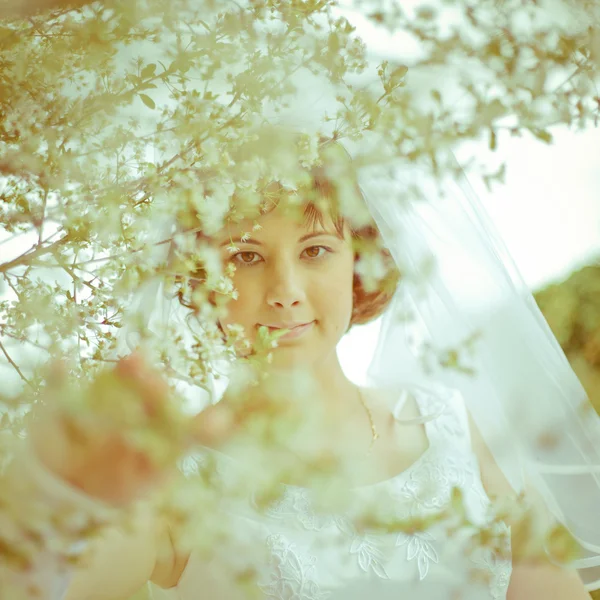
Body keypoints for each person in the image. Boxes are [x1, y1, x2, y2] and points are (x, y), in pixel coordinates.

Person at [0, 136, 594, 600]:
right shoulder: (177, 481)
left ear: (357, 263)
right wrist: (49, 486)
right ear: (201, 280)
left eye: (314, 251)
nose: (284, 291)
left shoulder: (453, 428)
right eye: (247, 257)